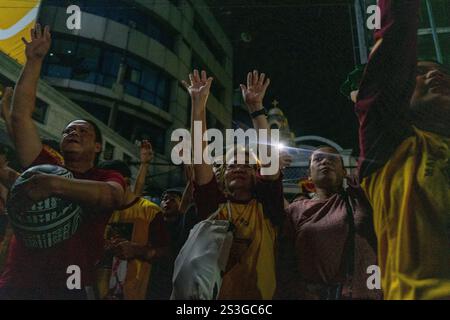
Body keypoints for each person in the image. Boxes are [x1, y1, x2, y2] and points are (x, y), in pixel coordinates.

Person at [0, 24, 125, 299]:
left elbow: (112, 198)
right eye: (69, 130)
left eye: (83, 131)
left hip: (69, 290)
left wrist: (55, 185)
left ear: (97, 146)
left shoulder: (106, 177)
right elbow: (21, 116)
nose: (73, 132)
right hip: (17, 286)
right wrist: (34, 60)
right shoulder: (43, 163)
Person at [353, 0, 450, 299]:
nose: (435, 75)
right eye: (419, 73)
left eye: (441, 72)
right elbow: (396, 38)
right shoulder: (394, 148)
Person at [185, 69, 284, 299]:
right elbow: (200, 158)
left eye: (247, 165)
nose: (239, 167)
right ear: (221, 175)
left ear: (257, 175)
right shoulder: (213, 205)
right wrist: (198, 106)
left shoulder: (267, 207)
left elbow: (270, 165)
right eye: (232, 165)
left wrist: (256, 108)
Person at [277, 146, 381, 300]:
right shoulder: (295, 211)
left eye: (332, 159)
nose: (325, 161)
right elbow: (285, 262)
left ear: (345, 172)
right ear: (309, 175)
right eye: (318, 159)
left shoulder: (361, 199)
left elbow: (372, 154)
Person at [96, 160, 169, 300]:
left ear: (126, 182)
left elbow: (166, 253)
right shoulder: (102, 212)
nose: (106, 192)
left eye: (110, 187)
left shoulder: (150, 211)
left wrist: (138, 250)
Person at [146, 184, 198, 300]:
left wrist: (191, 180)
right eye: (164, 199)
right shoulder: (154, 223)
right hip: (153, 279)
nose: (167, 202)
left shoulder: (183, 224)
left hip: (174, 279)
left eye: (173, 199)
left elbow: (186, 201)